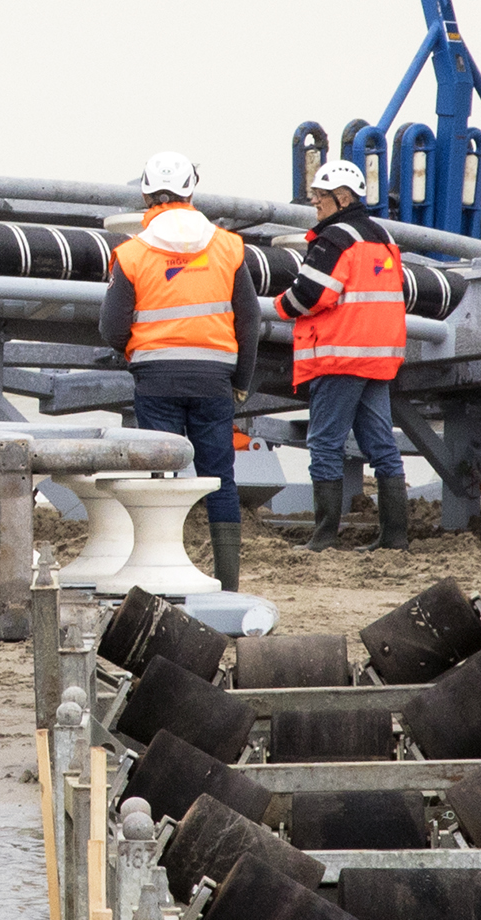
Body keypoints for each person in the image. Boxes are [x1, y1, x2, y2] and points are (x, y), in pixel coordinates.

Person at [100, 149, 264, 591]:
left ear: (146, 193)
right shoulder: (229, 247)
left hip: (156, 381)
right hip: (214, 381)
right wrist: (241, 382)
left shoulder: (132, 253)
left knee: (160, 477)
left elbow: (112, 328)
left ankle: (160, 576)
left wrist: (133, 354)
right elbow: (250, 321)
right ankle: (227, 584)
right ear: (193, 189)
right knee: (219, 477)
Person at [281, 168, 414, 550]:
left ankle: (322, 538)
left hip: (339, 357)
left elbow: (309, 294)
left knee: (324, 444)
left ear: (341, 197)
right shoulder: (383, 236)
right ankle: (394, 538)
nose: (314, 204)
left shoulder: (334, 238)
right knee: (382, 445)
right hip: (378, 358)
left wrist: (279, 305)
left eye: (319, 197)